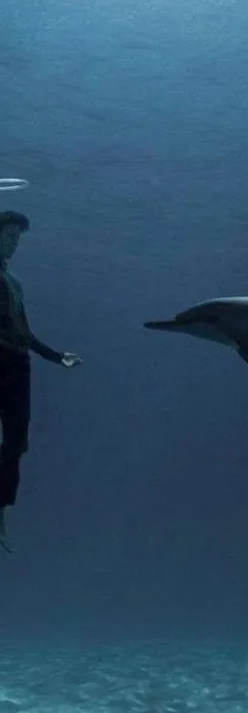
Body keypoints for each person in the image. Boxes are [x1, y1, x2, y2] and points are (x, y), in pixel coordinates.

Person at [0, 210, 82, 552]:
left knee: (16, 444)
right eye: (9, 235)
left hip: (19, 365)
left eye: (18, 238)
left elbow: (23, 331)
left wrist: (54, 355)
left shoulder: (14, 283)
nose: (14, 243)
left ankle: (0, 515)